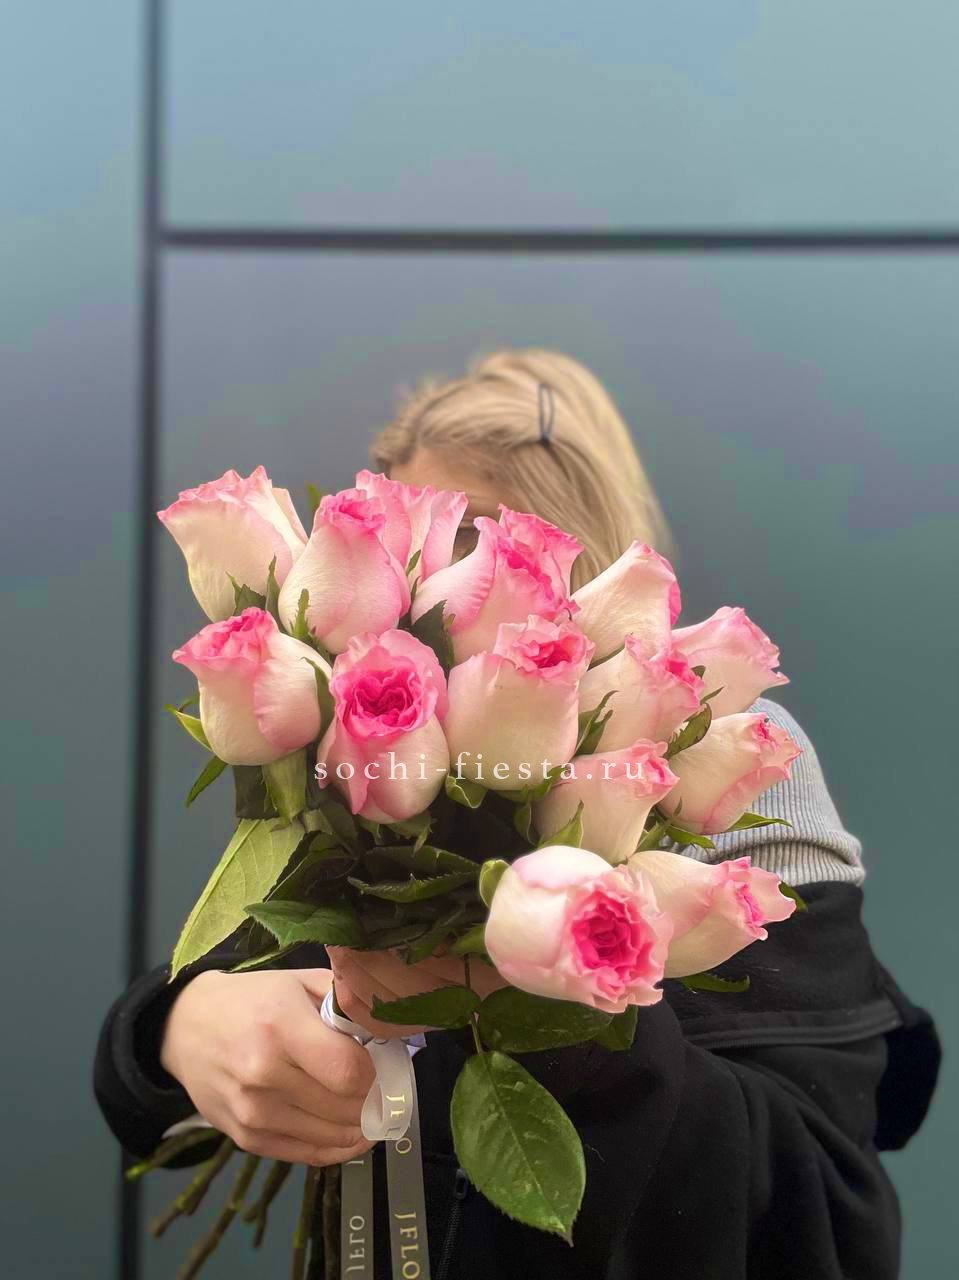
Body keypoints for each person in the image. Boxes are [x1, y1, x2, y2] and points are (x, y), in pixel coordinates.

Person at [95, 349, 940, 1279]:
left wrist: (546, 990)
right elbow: (240, 992)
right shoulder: (370, 731)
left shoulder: (727, 766)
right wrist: (179, 1027)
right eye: (407, 553)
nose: (428, 598)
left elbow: (821, 1216)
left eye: (479, 549)